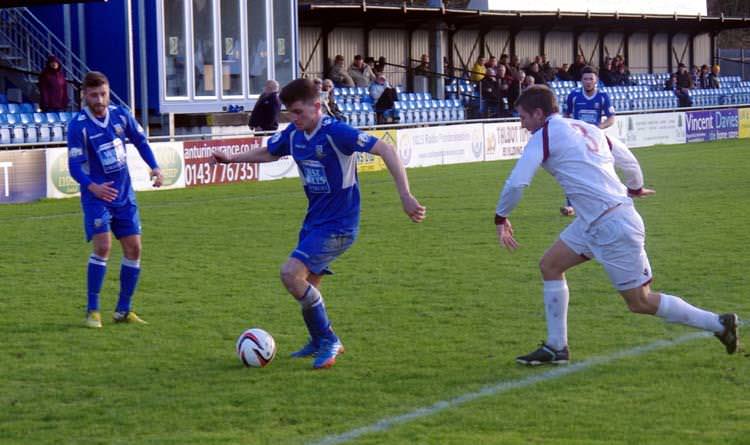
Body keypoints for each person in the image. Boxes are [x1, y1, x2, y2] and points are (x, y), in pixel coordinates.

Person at [494, 85, 739, 366]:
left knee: (640, 302)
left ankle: (719, 324)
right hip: (594, 220)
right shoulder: (588, 128)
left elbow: (517, 182)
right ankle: (556, 347)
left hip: (612, 224)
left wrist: (501, 217)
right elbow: (629, 161)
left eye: (523, 117)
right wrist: (634, 188)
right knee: (550, 265)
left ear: (538, 114)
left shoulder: (544, 136)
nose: (522, 125)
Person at [211, 78, 426, 369]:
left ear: (317, 105)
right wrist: (232, 159)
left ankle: (329, 339)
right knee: (309, 286)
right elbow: (269, 152)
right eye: (290, 113)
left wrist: (405, 195)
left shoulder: (336, 132)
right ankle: (316, 340)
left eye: (299, 112)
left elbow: (385, 150)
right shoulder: (295, 134)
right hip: (314, 222)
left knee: (290, 274)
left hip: (339, 225)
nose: (294, 118)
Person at [67, 71, 163, 328]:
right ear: (85, 95)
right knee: (103, 247)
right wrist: (92, 187)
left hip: (124, 195)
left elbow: (141, 142)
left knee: (134, 248)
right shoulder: (78, 126)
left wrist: (155, 167)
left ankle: (123, 310)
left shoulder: (121, 115)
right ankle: (93, 310)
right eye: (94, 95)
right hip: (97, 197)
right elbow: (74, 166)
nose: (99, 100)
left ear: (109, 93)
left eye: (103, 94)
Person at [562, 66, 616, 216]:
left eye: (590, 78)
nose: (588, 81)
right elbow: (565, 115)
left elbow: (611, 118)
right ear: (581, 80)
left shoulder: (603, 96)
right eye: (585, 79)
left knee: (598, 172)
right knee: (574, 172)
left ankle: (603, 202)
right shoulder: (573, 95)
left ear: (596, 80)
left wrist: (599, 127)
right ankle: (570, 206)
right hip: (577, 141)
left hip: (595, 142)